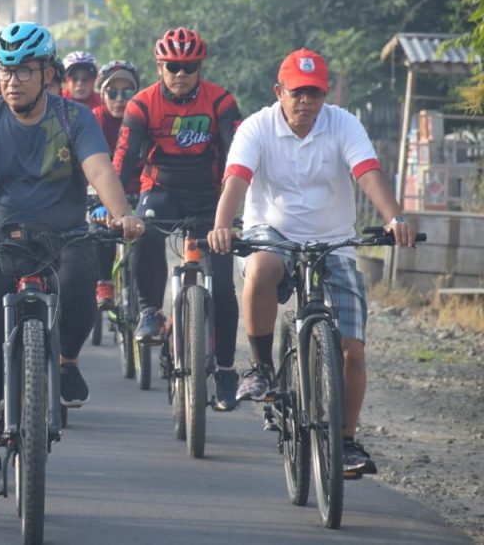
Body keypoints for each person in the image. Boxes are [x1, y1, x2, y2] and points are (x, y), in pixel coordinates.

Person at [0, 22, 145, 497]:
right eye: (6, 70)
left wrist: (122, 215)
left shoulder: (72, 118)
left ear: (47, 73)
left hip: (61, 236)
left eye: (24, 70)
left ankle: (64, 360)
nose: (11, 80)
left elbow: (99, 169)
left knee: (83, 290)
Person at [206, 48, 417, 475]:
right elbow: (237, 181)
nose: (306, 102)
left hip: (334, 240)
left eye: (315, 94)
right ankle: (262, 367)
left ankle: (347, 443)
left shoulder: (343, 123)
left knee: (352, 351)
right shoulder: (257, 127)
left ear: (325, 96)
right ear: (279, 91)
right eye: (298, 92)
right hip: (274, 232)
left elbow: (367, 172)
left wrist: (394, 218)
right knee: (262, 268)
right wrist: (223, 226)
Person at [112, 27, 243, 411]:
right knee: (145, 232)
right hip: (162, 192)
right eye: (173, 67)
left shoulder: (220, 101)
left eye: (189, 67)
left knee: (222, 284)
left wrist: (235, 214)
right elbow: (123, 161)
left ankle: (225, 368)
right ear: (160, 66)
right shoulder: (141, 104)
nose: (181, 74)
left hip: (210, 197)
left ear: (199, 67)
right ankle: (150, 310)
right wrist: (118, 209)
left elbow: (237, 157)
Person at [89, 60, 140, 312]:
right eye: (113, 92)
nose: (120, 99)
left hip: (139, 191)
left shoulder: (143, 118)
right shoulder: (93, 120)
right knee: (101, 230)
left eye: (128, 92)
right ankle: (104, 282)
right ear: (102, 95)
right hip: (99, 194)